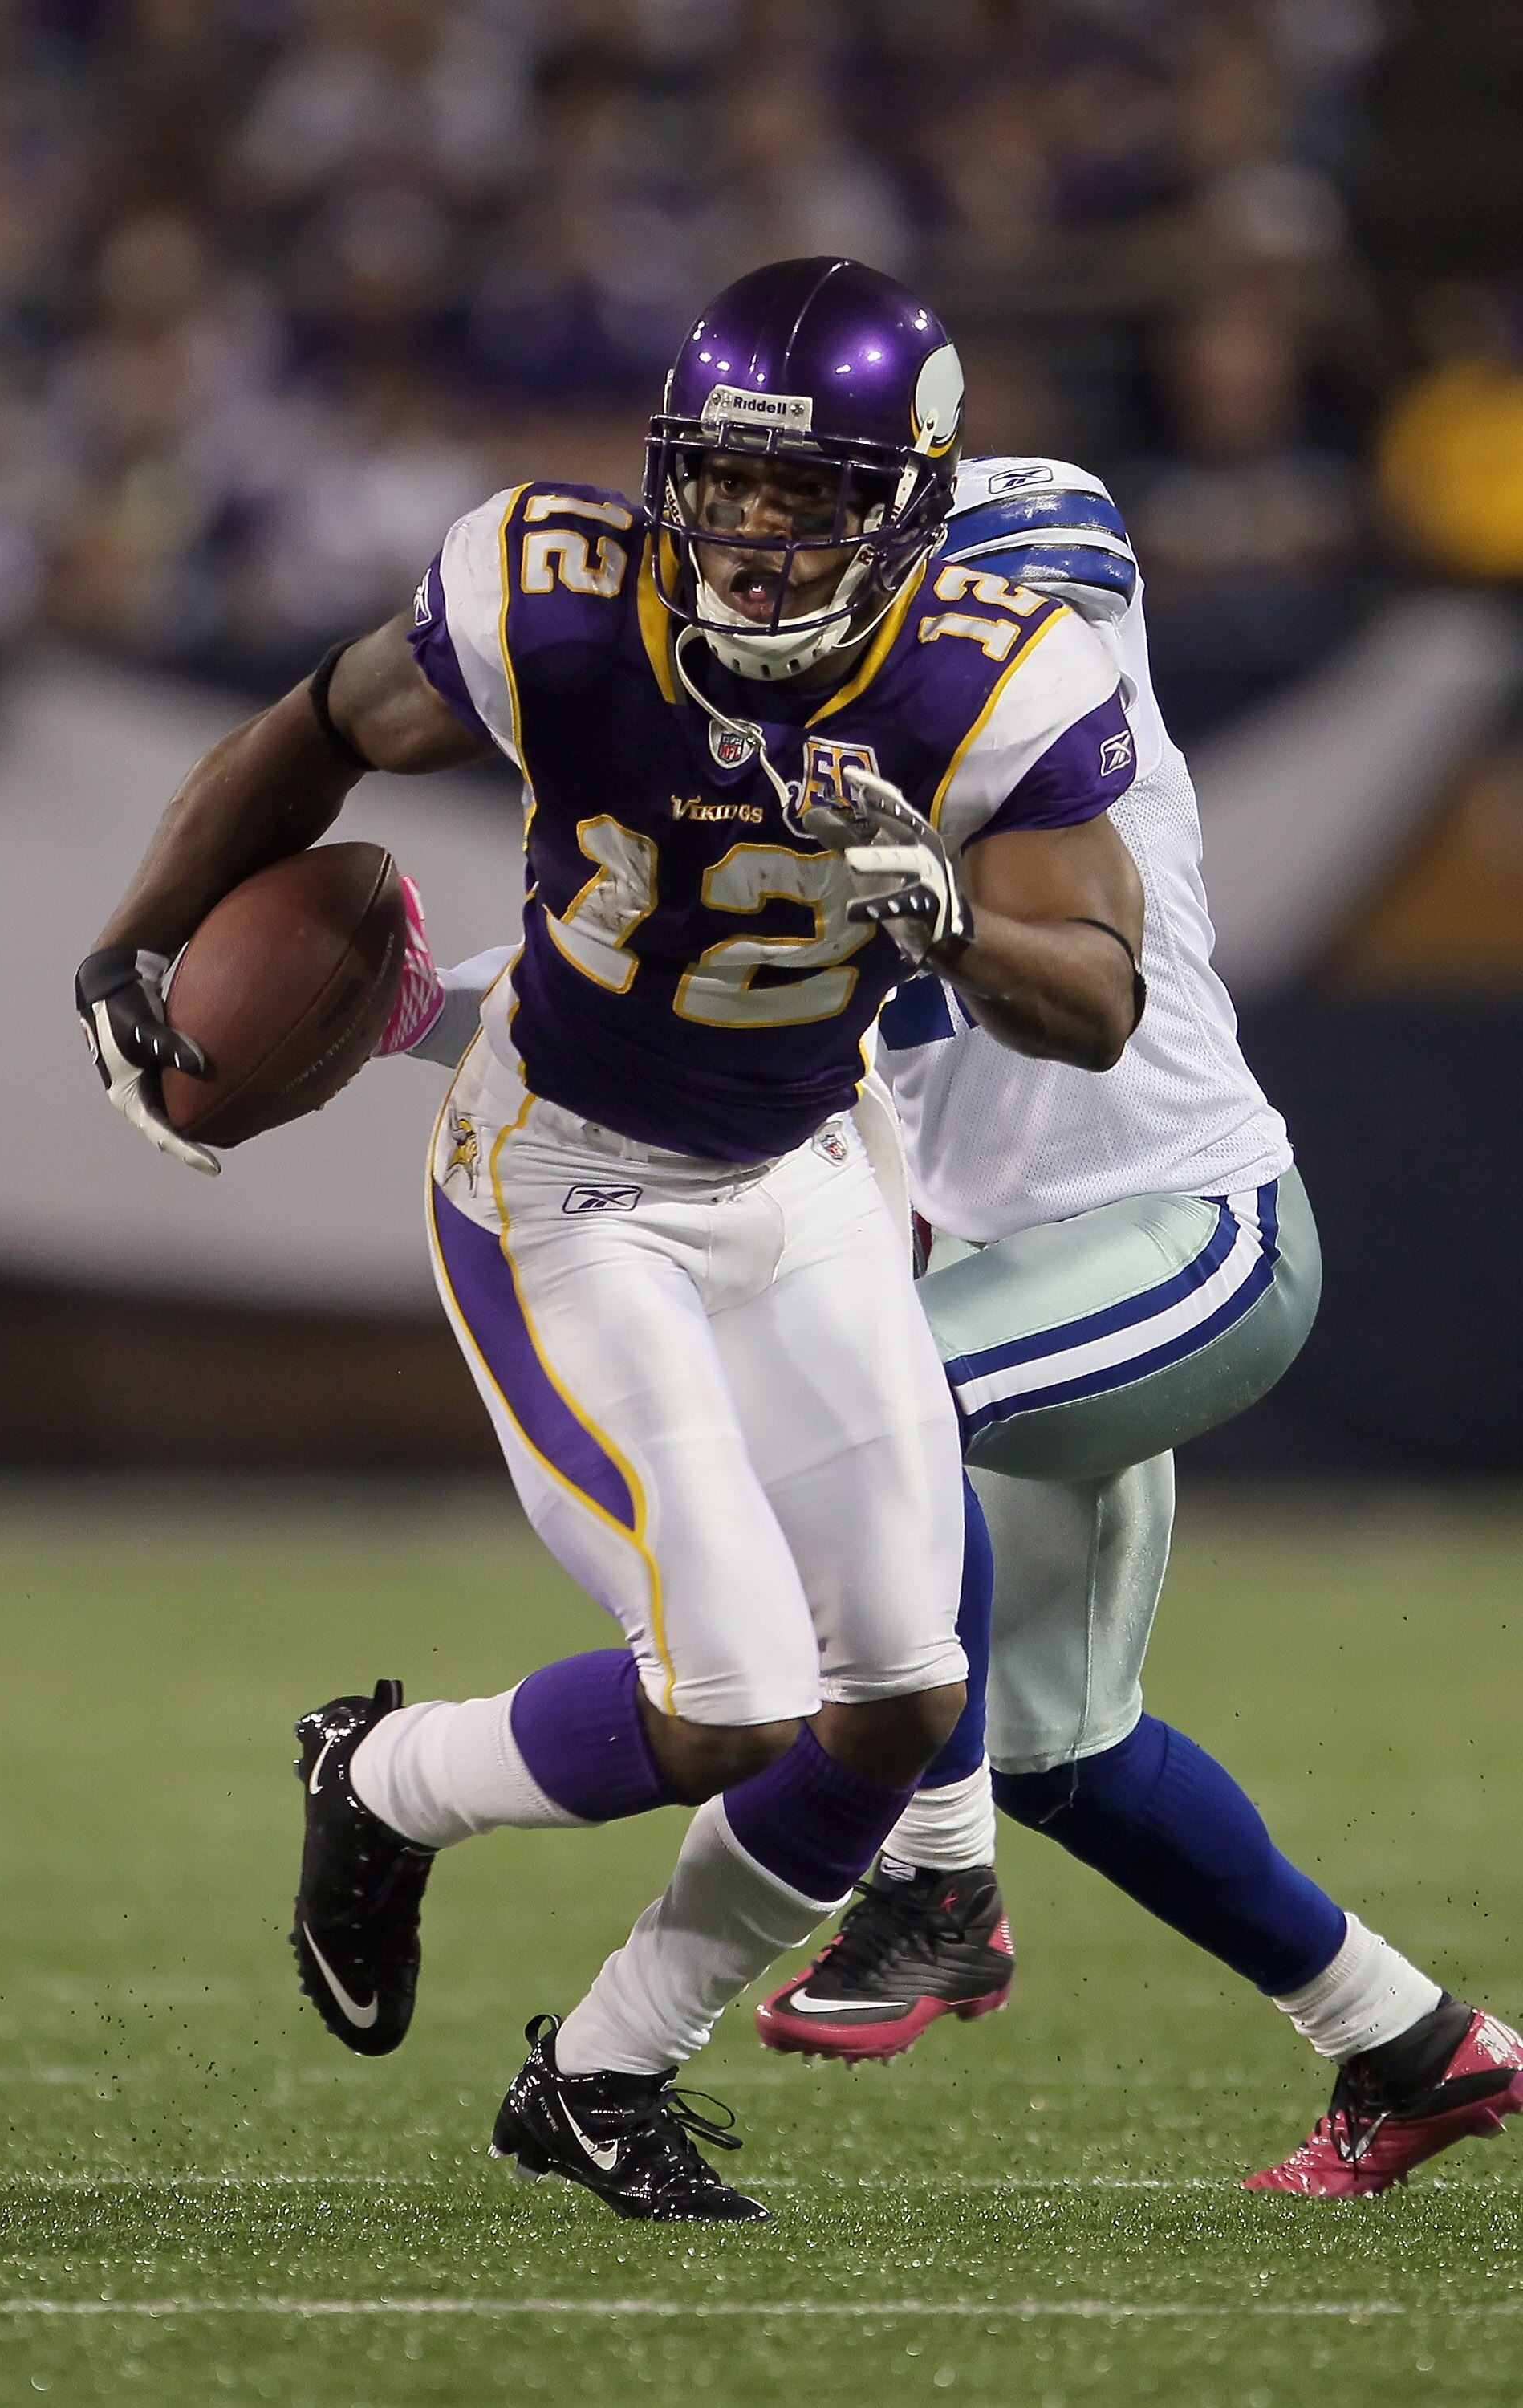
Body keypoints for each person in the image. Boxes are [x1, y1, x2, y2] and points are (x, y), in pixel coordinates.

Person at [74, 258, 1149, 2223]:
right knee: (728, 1701)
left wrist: (946, 921)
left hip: (809, 1171)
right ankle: (378, 1782)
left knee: (909, 1700)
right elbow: (316, 728)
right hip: (561, 1180)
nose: (753, 538)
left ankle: (600, 2073)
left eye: (811, 493)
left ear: (907, 493)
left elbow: (1100, 997)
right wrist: (139, 934)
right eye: (726, 487)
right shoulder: (551, 592)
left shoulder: (1000, 670)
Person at [745, 453, 1523, 2199]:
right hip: (1037, 1279)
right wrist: (406, 1012)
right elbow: (618, 980)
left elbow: (1067, 594)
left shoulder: (1040, 697)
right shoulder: (818, 779)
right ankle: (1412, 2044)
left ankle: (933, 1889)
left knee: (882, 1403)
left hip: (1192, 1233)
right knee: (1062, 1748)